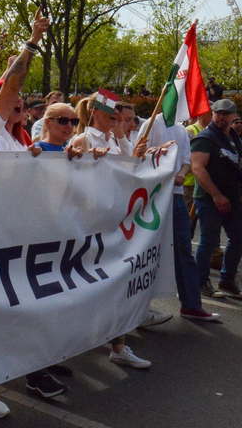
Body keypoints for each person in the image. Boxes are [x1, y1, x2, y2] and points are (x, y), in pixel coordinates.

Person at [71, 94, 150, 368]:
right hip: (90, 225)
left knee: (114, 282)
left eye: (117, 114)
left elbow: (128, 173)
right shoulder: (83, 140)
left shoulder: (114, 141)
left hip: (113, 222)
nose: (115, 118)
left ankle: (118, 345)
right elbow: (71, 180)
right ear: (94, 113)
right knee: (85, 284)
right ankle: (76, 339)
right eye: (110, 113)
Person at [135, 114, 220, 321]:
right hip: (153, 196)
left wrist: (182, 173)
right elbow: (137, 157)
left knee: (183, 249)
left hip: (175, 198)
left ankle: (191, 305)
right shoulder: (152, 123)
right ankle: (138, 308)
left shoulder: (182, 129)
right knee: (143, 252)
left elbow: (185, 160)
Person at [190, 98, 242, 299]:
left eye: (226, 114)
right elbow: (197, 168)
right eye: (217, 113)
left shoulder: (233, 138)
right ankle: (201, 282)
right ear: (212, 114)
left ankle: (227, 280)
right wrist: (216, 195)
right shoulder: (206, 137)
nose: (221, 117)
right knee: (209, 242)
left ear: (233, 116)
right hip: (209, 198)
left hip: (232, 198)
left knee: (238, 238)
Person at [0, 9, 48, 151]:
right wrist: (33, 41)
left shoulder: (22, 138)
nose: (18, 100)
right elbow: (11, 86)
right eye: (12, 97)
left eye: (19, 96)